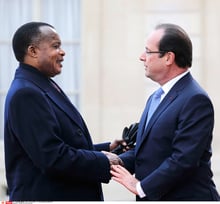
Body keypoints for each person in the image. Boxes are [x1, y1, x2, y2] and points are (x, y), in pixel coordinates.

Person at [4, 22, 124, 201]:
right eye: (55, 46)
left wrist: (107, 148)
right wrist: (101, 160)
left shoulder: (42, 85)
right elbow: (52, 157)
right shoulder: (26, 93)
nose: (62, 52)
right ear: (33, 51)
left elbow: (65, 143)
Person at [109, 23, 220, 201]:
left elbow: (183, 160)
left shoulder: (195, 99)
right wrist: (110, 160)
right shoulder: (155, 97)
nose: (142, 57)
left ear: (168, 58)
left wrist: (139, 186)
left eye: (148, 51)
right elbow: (149, 153)